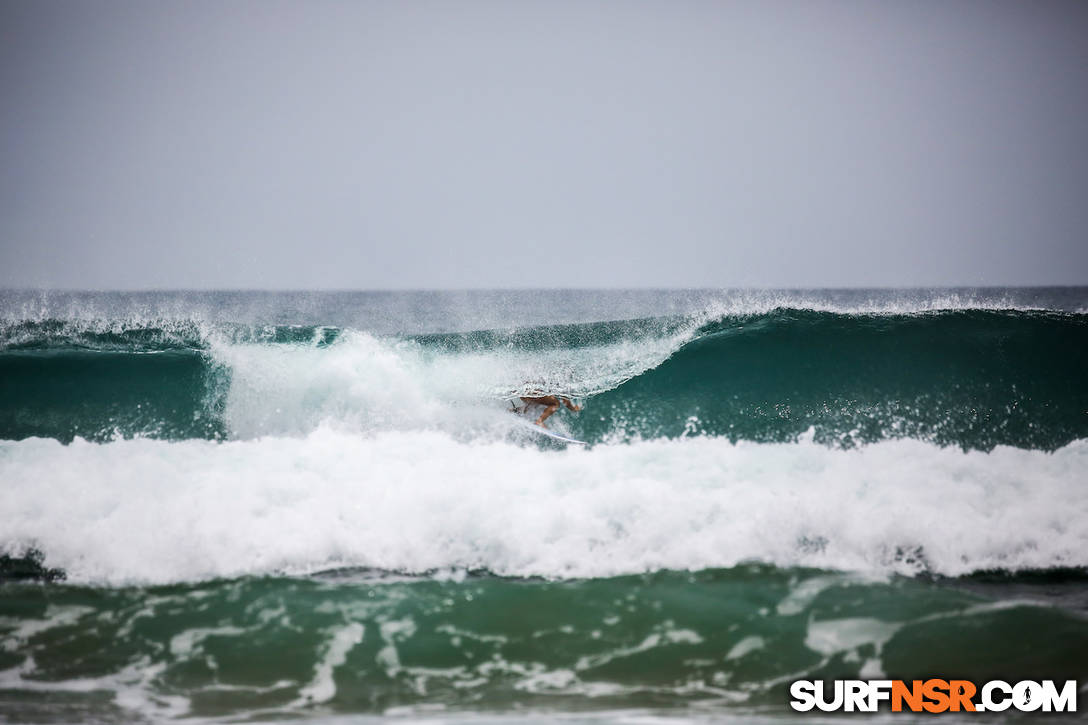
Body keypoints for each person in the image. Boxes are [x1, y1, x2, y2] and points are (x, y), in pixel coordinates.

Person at [514, 395, 581, 428]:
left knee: (540, 401)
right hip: (532, 394)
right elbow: (565, 400)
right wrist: (573, 408)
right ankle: (539, 421)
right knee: (555, 403)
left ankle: (517, 410)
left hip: (522, 393)